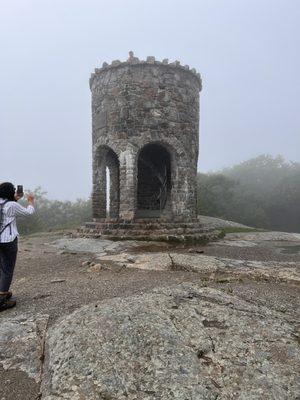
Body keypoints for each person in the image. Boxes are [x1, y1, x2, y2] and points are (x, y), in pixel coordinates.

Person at [0, 182, 35, 311]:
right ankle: (2, 298)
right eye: (13, 189)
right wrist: (30, 202)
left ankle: (2, 291)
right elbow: (28, 213)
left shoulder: (8, 203)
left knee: (1, 267)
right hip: (8, 240)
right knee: (8, 268)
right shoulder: (12, 205)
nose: (15, 191)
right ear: (9, 191)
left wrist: (16, 198)